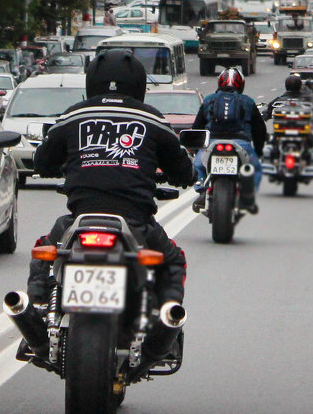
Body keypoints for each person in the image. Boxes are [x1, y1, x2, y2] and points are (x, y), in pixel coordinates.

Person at [28, 49, 195, 368]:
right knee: (172, 260)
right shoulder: (153, 118)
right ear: (139, 84)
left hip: (80, 220)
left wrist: (58, 166)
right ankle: (167, 321)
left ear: (92, 81)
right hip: (135, 222)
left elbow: (42, 161)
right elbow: (183, 172)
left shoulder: (73, 115)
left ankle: (36, 310)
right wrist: (185, 174)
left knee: (46, 250)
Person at [191, 67, 267, 213]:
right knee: (256, 168)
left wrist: (195, 149)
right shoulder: (248, 102)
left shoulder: (208, 100)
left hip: (211, 143)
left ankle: (201, 188)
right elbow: (260, 130)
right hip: (241, 143)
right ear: (241, 85)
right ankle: (248, 196)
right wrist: (258, 151)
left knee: (199, 165)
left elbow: (197, 127)